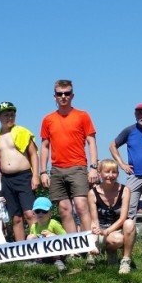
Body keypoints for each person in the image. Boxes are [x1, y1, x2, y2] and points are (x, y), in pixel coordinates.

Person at [40, 80, 99, 236]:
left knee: (81, 206)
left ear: (72, 95)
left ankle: (89, 245)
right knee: (64, 209)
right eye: (60, 94)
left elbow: (91, 142)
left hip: (78, 166)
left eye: (67, 93)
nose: (63, 96)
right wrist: (43, 172)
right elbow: (44, 146)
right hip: (57, 169)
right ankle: (75, 249)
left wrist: (93, 168)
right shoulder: (48, 119)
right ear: (55, 97)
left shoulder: (82, 115)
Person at [0, 101, 39, 242]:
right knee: (15, 217)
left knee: (30, 213)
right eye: (6, 115)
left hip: (24, 176)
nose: (9, 117)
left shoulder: (23, 132)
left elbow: (34, 154)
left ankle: (38, 247)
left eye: (12, 114)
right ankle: (22, 251)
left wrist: (35, 175)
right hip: (7, 179)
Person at [109, 103, 142, 226]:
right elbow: (112, 146)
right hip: (133, 176)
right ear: (135, 115)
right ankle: (130, 240)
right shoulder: (129, 131)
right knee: (129, 209)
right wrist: (122, 164)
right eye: (140, 113)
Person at [87, 160, 136, 275]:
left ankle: (125, 261)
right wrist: (96, 241)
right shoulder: (92, 193)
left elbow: (123, 218)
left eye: (114, 172)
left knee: (129, 223)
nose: (110, 175)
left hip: (117, 228)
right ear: (99, 173)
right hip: (100, 228)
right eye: (107, 172)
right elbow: (94, 220)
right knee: (116, 239)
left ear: (118, 174)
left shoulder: (125, 190)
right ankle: (104, 252)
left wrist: (107, 231)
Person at [26, 197, 67, 272]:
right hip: (42, 253)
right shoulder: (34, 226)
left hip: (56, 253)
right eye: (38, 211)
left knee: (50, 236)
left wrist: (52, 234)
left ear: (50, 213)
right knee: (30, 237)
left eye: (44, 211)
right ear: (33, 213)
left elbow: (65, 237)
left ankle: (58, 260)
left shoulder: (54, 223)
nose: (41, 213)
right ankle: (38, 260)